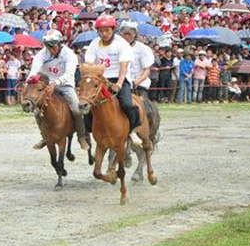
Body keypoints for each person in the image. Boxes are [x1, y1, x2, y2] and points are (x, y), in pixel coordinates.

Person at [27, 29, 90, 151]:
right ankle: (44, 137)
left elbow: (68, 74)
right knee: (36, 112)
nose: (50, 49)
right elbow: (34, 71)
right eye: (47, 46)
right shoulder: (41, 54)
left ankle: (81, 137)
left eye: (52, 45)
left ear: (59, 43)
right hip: (47, 85)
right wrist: (30, 81)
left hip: (65, 85)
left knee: (77, 110)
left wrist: (56, 83)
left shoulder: (69, 54)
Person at [84, 15, 141, 145]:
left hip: (118, 78)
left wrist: (119, 84)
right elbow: (89, 64)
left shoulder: (122, 44)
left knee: (127, 104)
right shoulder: (94, 44)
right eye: (101, 31)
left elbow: (124, 67)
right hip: (100, 79)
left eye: (107, 30)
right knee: (86, 104)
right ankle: (88, 131)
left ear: (113, 30)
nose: (104, 34)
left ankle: (133, 130)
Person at [118, 21, 155, 97]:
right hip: (121, 84)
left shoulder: (143, 49)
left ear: (135, 35)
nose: (127, 37)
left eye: (130, 34)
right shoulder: (116, 47)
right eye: (125, 34)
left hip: (139, 84)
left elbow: (147, 69)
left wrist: (137, 82)